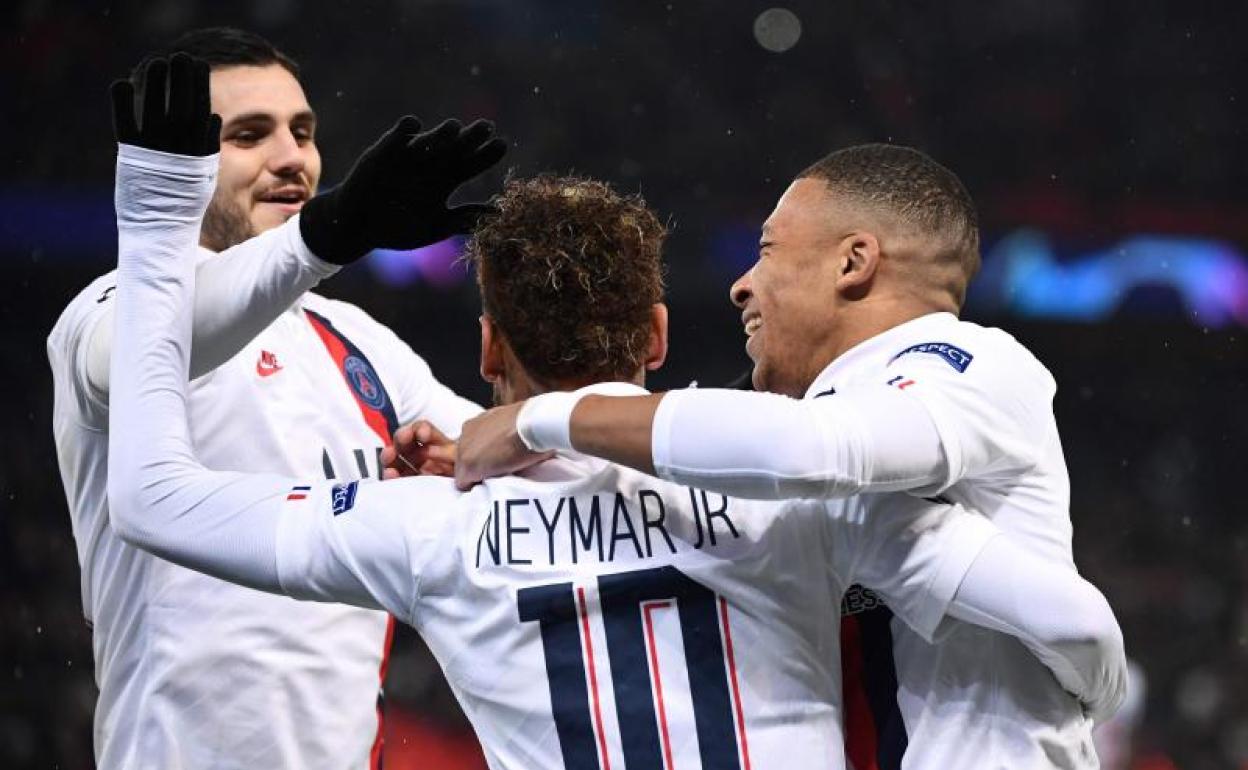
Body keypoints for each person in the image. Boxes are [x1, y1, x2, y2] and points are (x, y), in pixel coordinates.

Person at [105, 66, 1124, 770]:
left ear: (491, 350)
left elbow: (153, 499)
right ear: (657, 332)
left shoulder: (425, 527)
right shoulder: (808, 506)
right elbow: (1069, 618)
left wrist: (157, 233)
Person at [444, 143, 1119, 767]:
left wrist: (538, 419)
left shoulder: (969, 364)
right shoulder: (811, 439)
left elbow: (812, 451)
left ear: (853, 262)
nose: (742, 285)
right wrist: (467, 451)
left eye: (767, 251)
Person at [47, 32, 503, 768]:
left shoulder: (356, 341)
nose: (293, 158)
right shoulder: (107, 313)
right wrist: (329, 234)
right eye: (250, 135)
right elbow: (167, 334)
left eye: (304, 131)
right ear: (177, 163)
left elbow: (508, 449)